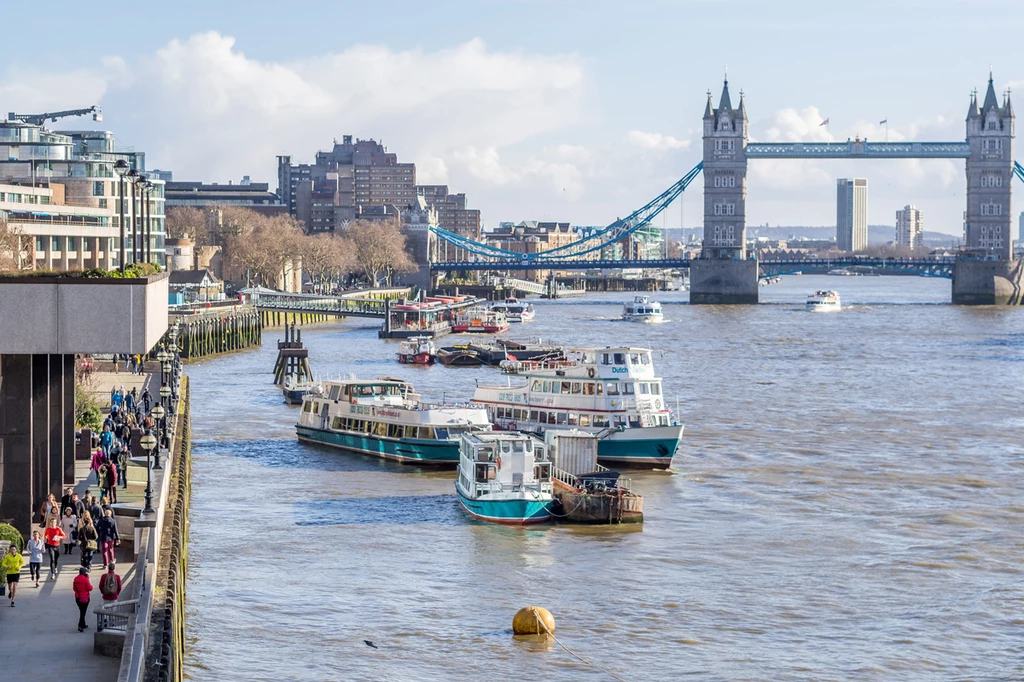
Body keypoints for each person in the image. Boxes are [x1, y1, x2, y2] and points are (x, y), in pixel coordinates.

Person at [73, 567, 93, 632]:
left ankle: (83, 624)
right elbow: (90, 588)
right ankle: (80, 625)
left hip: (77, 597)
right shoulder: (85, 579)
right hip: (85, 598)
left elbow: (74, 589)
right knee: (83, 612)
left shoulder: (75, 579)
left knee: (82, 611)